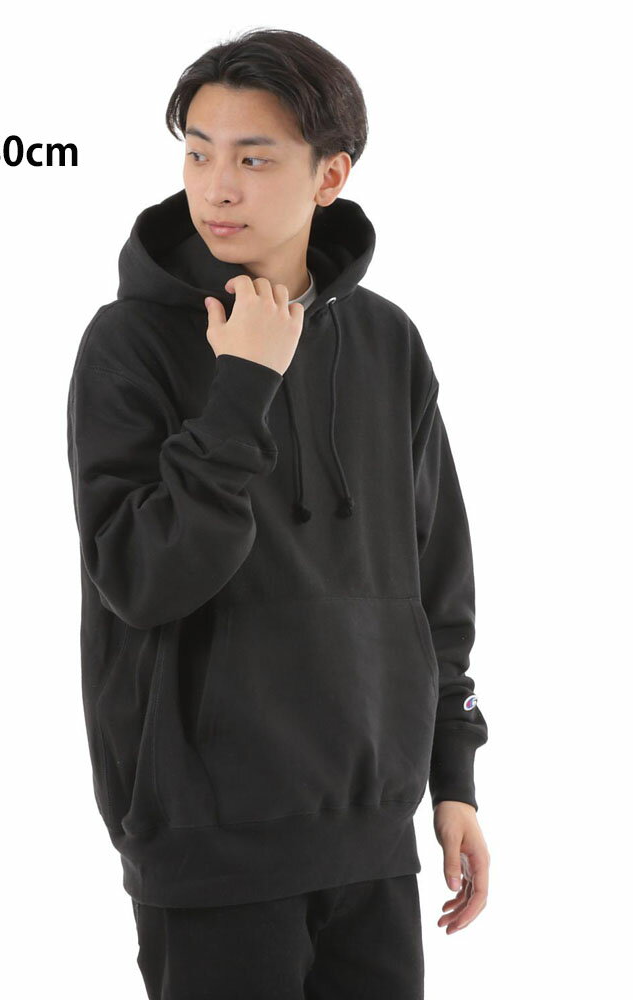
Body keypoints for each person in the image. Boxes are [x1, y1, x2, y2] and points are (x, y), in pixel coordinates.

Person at [66, 27, 490, 1000]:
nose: (216, 187)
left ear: (329, 175)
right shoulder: (129, 345)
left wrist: (453, 778)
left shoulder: (385, 342)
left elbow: (436, 581)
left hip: (372, 840)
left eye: (252, 159)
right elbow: (142, 576)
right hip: (209, 848)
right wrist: (244, 385)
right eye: (198, 153)